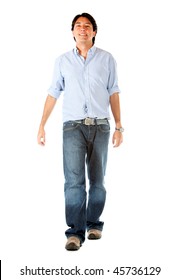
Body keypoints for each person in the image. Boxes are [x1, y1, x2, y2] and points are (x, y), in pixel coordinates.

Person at [37, 12, 124, 251]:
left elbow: (114, 92)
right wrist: (41, 124)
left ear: (94, 32)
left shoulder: (107, 59)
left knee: (98, 181)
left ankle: (94, 224)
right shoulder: (62, 61)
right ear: (73, 32)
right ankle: (74, 233)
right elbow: (53, 92)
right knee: (74, 182)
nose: (83, 29)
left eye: (87, 26)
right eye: (78, 25)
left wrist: (119, 126)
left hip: (101, 126)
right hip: (72, 127)